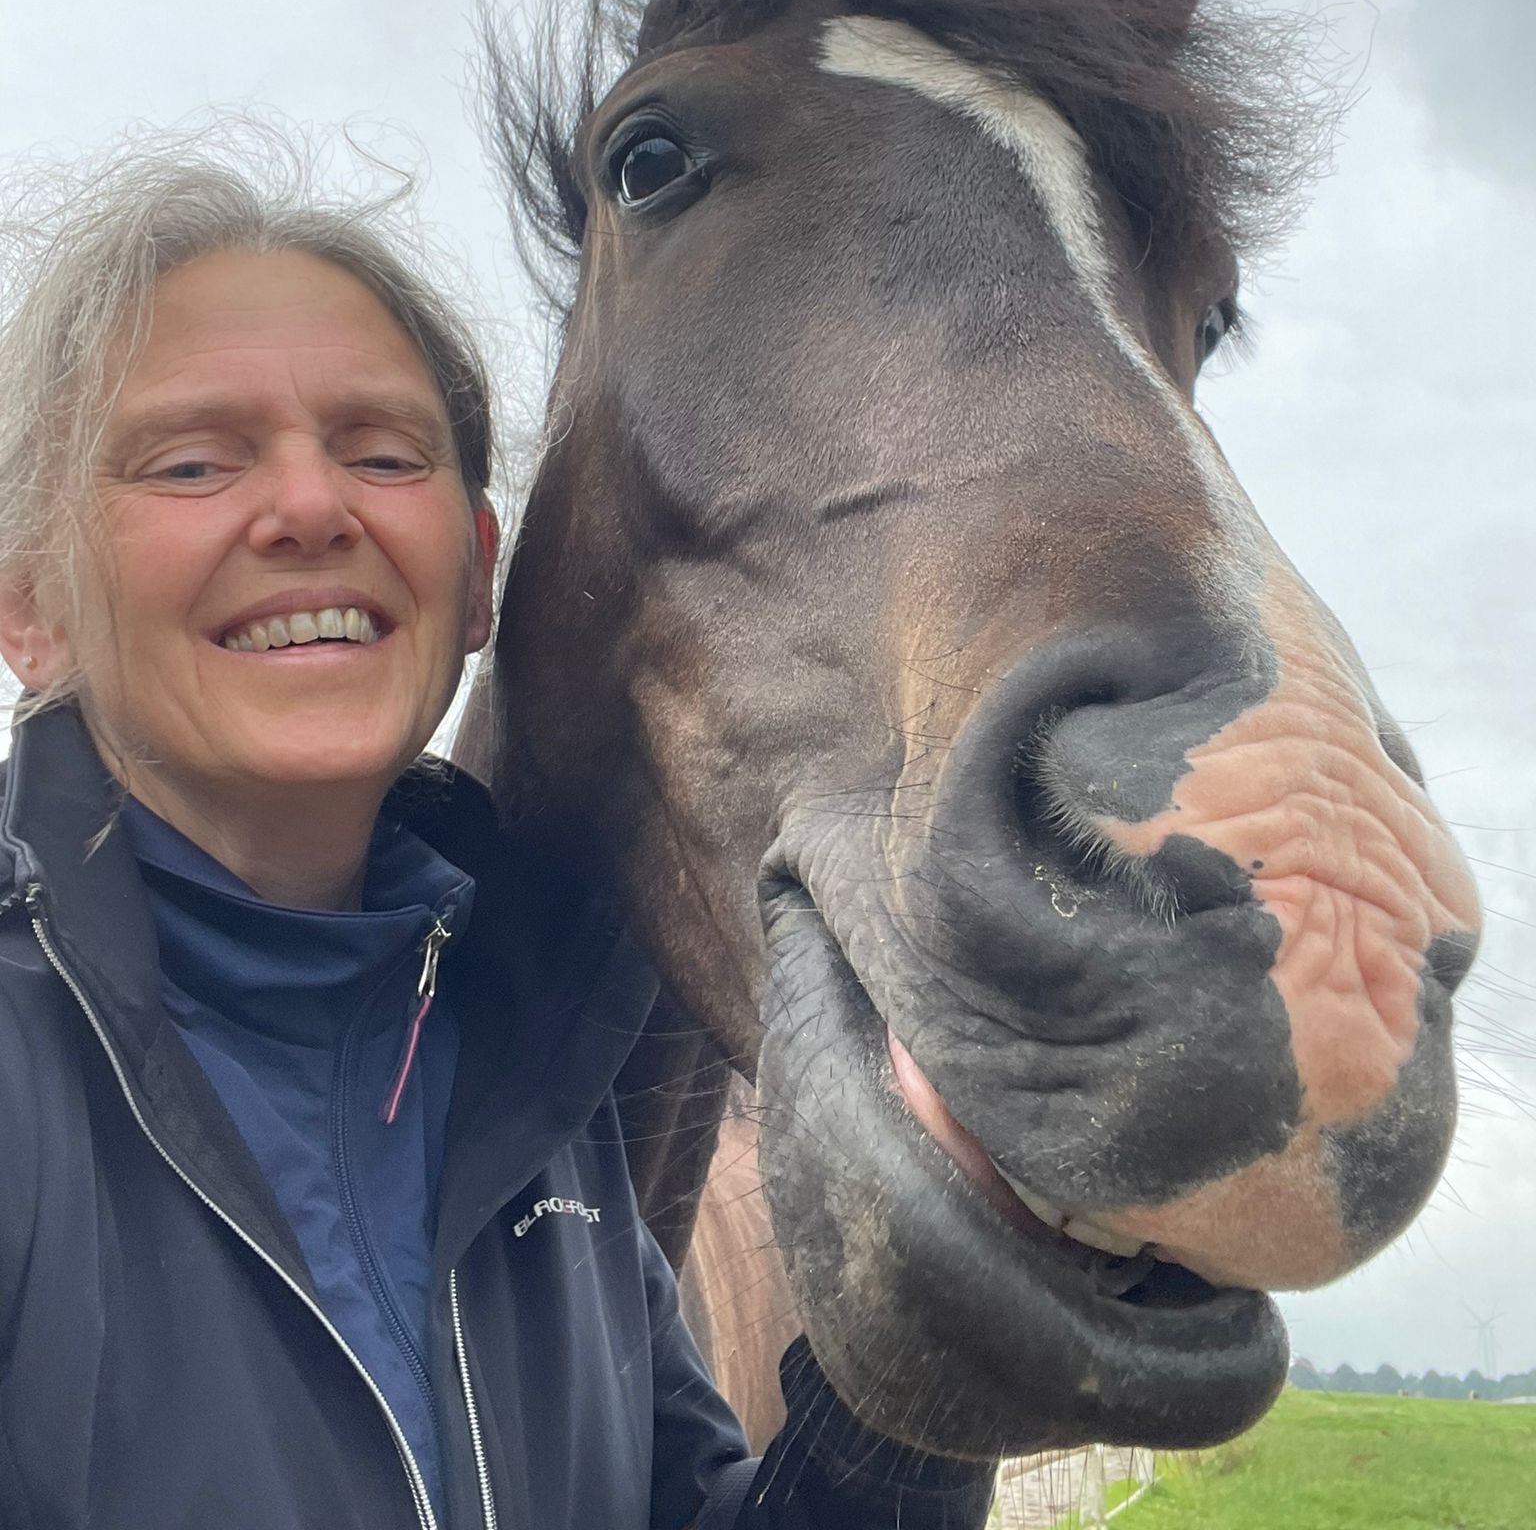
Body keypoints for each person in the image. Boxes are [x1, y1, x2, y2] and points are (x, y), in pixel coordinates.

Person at [0, 143, 995, 1529]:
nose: (311, 508)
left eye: (383, 454)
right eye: (191, 462)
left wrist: (933, 1332)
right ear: (32, 610)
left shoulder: (530, 1088)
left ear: (476, 577)